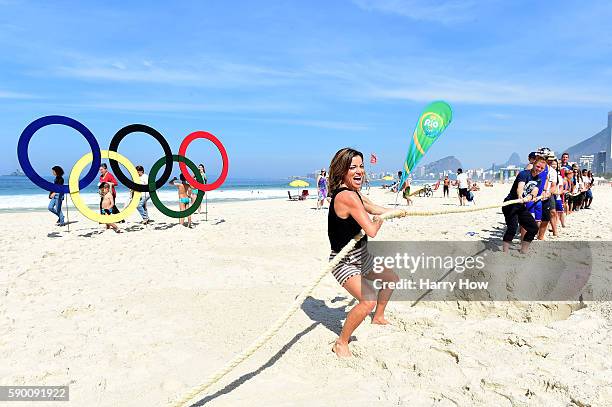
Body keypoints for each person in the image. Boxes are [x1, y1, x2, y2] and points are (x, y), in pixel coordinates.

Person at [327, 148, 399, 358]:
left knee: (390, 279)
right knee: (367, 300)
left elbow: (373, 206)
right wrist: (381, 220)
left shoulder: (355, 193)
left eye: (361, 166)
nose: (359, 171)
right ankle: (341, 343)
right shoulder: (346, 196)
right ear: (342, 171)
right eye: (353, 167)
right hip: (344, 262)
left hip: (362, 257)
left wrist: (395, 211)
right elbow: (372, 230)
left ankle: (378, 317)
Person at [502, 156, 546, 254]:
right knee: (512, 228)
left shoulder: (538, 179)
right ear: (534, 164)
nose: (539, 169)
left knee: (533, 228)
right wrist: (520, 196)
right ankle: (504, 252)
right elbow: (520, 186)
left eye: (542, 168)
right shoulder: (524, 174)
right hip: (510, 204)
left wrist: (529, 198)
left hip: (521, 206)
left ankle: (523, 250)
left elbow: (534, 192)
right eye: (538, 166)